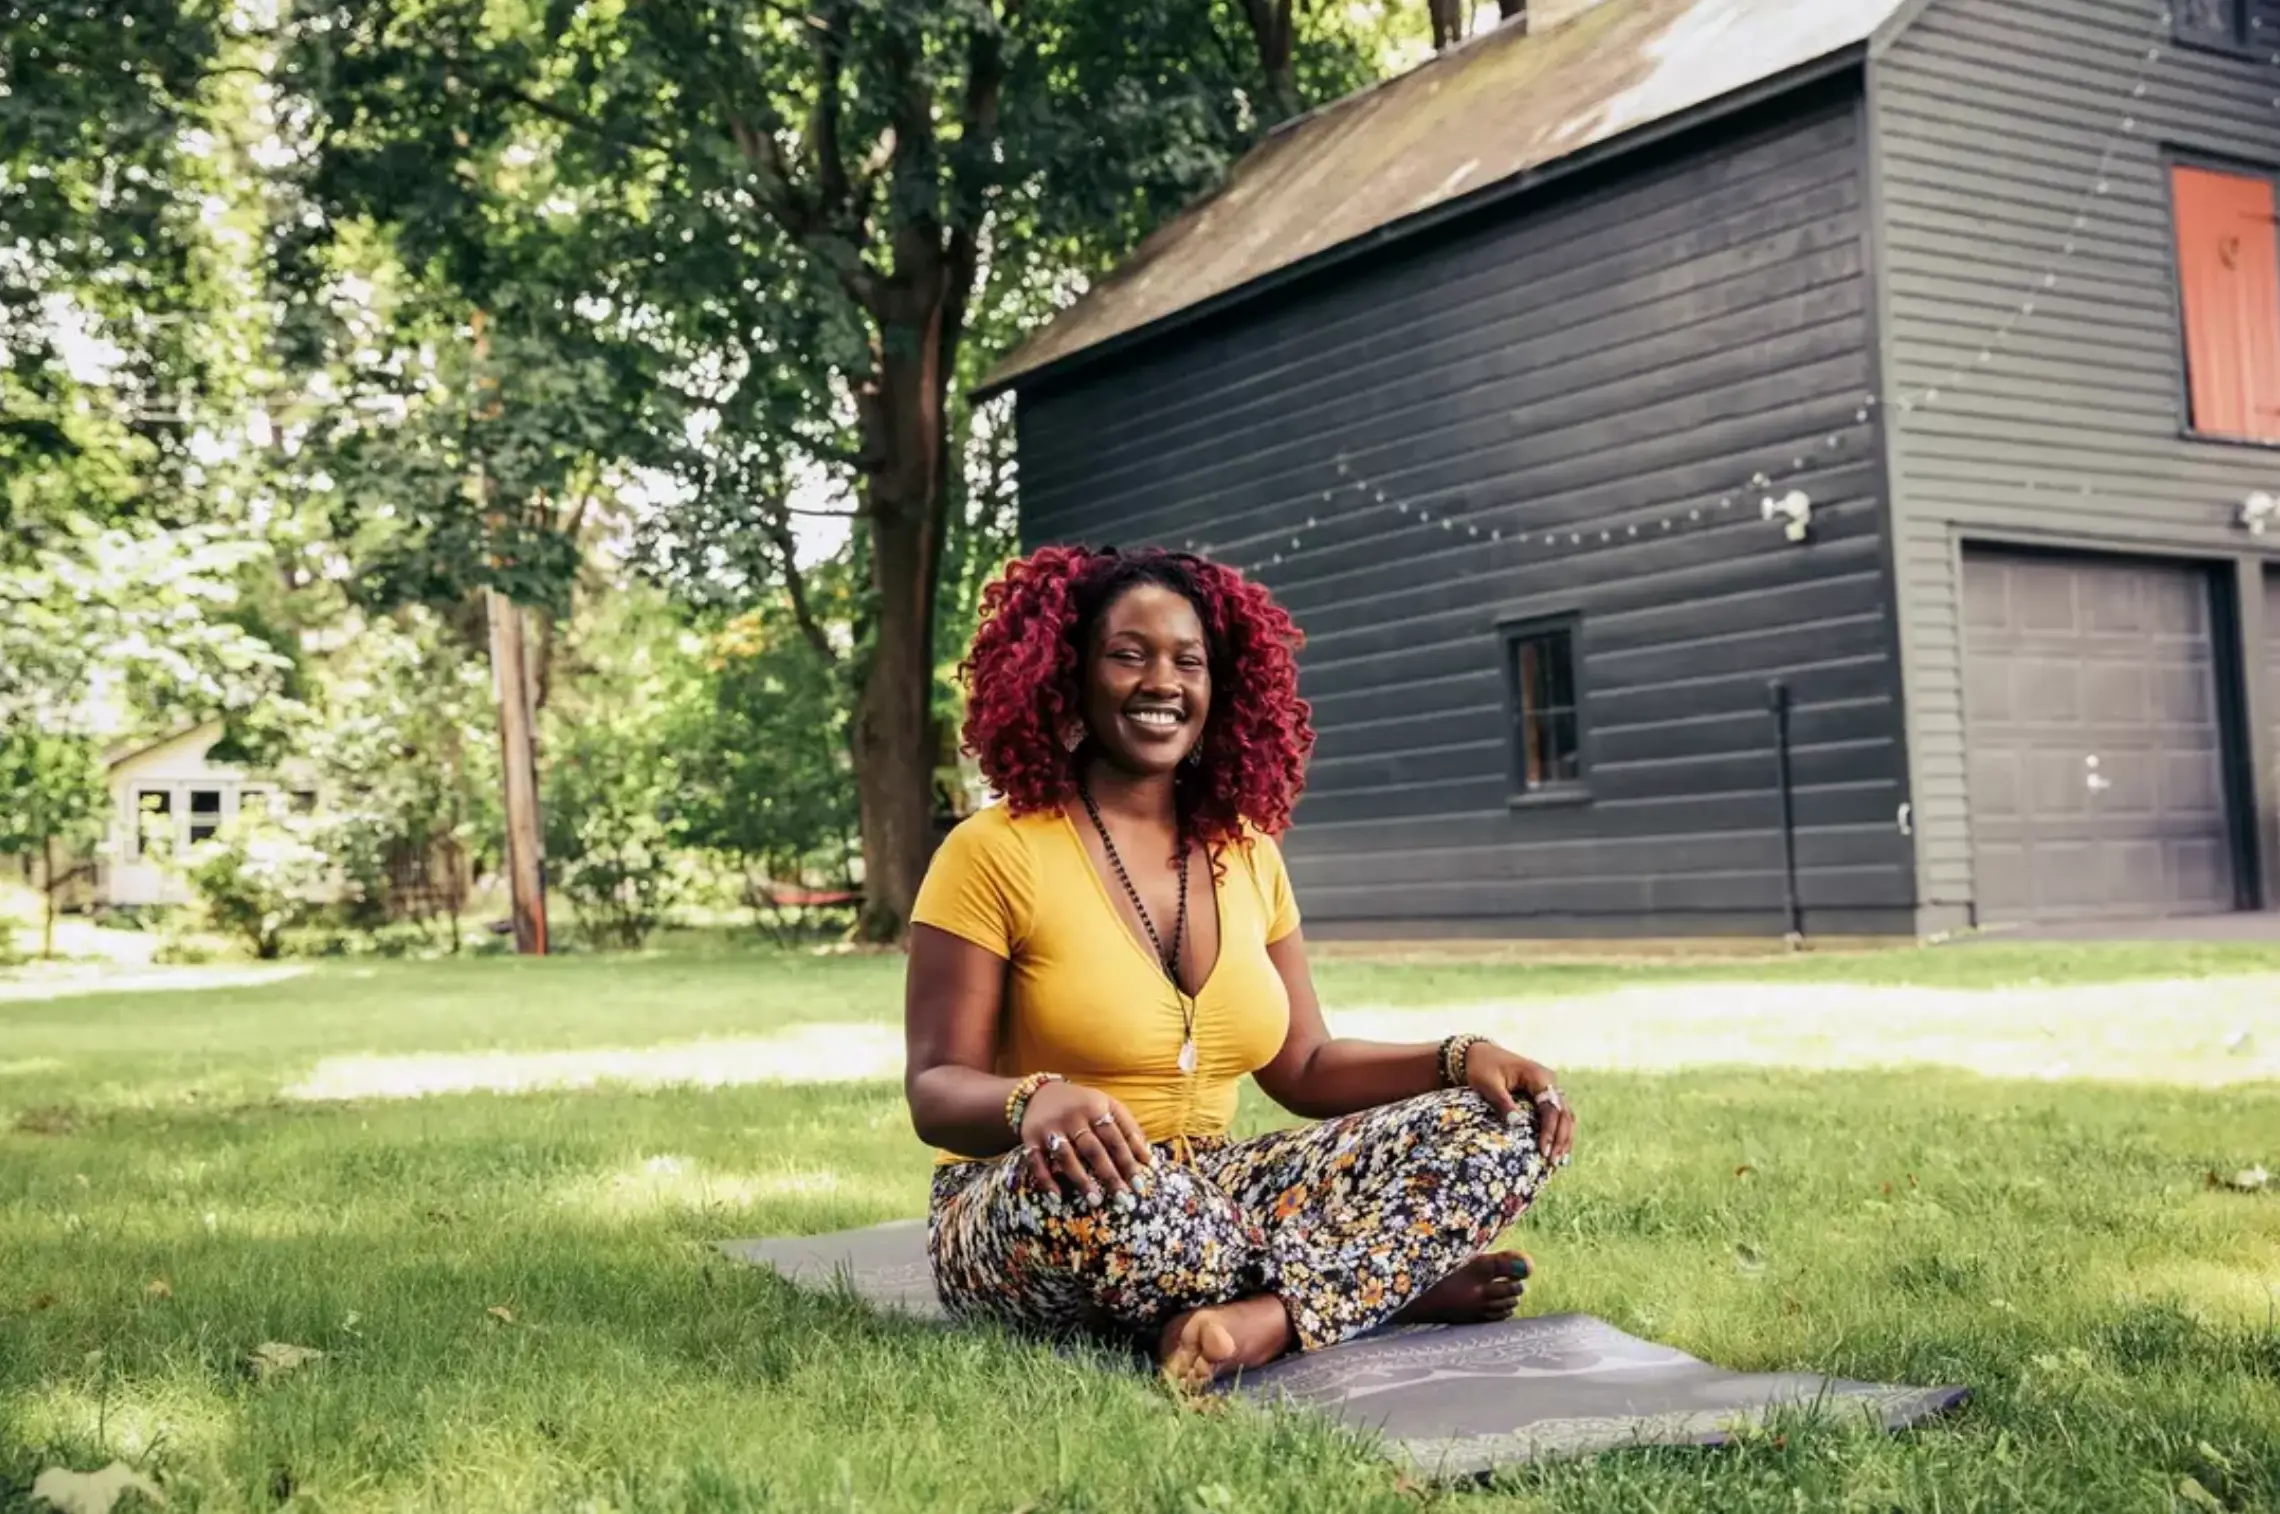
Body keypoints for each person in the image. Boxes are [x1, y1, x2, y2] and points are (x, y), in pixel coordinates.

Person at [903, 545, 1578, 1392]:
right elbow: (933, 1088)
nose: (1162, 682)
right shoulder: (991, 850)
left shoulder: (1247, 853)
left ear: (1220, 687)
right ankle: (1381, 1284)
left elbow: (1305, 1067)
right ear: (1067, 675)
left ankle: (1265, 1317)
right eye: (1127, 655)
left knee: (1502, 1125)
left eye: (1188, 661)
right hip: (1036, 1199)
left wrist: (1456, 1058)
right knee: (1117, 1198)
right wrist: (1034, 1099)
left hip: (1213, 1186)